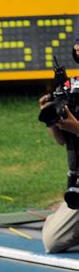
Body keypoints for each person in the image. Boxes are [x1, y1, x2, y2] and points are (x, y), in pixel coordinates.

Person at [39, 40, 79, 253]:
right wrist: (52, 119)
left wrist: (77, 128)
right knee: (52, 241)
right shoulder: (71, 87)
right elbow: (62, 140)